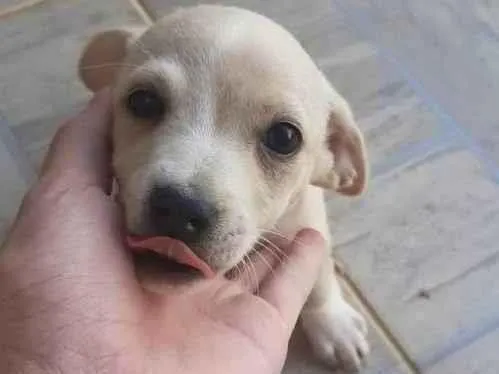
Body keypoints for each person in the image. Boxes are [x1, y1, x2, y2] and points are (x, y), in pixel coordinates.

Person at [0, 90, 326, 374]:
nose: (187, 196)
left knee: (309, 248)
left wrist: (324, 307)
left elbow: (316, 251)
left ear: (332, 156)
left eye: (281, 139)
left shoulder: (306, 203)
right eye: (147, 104)